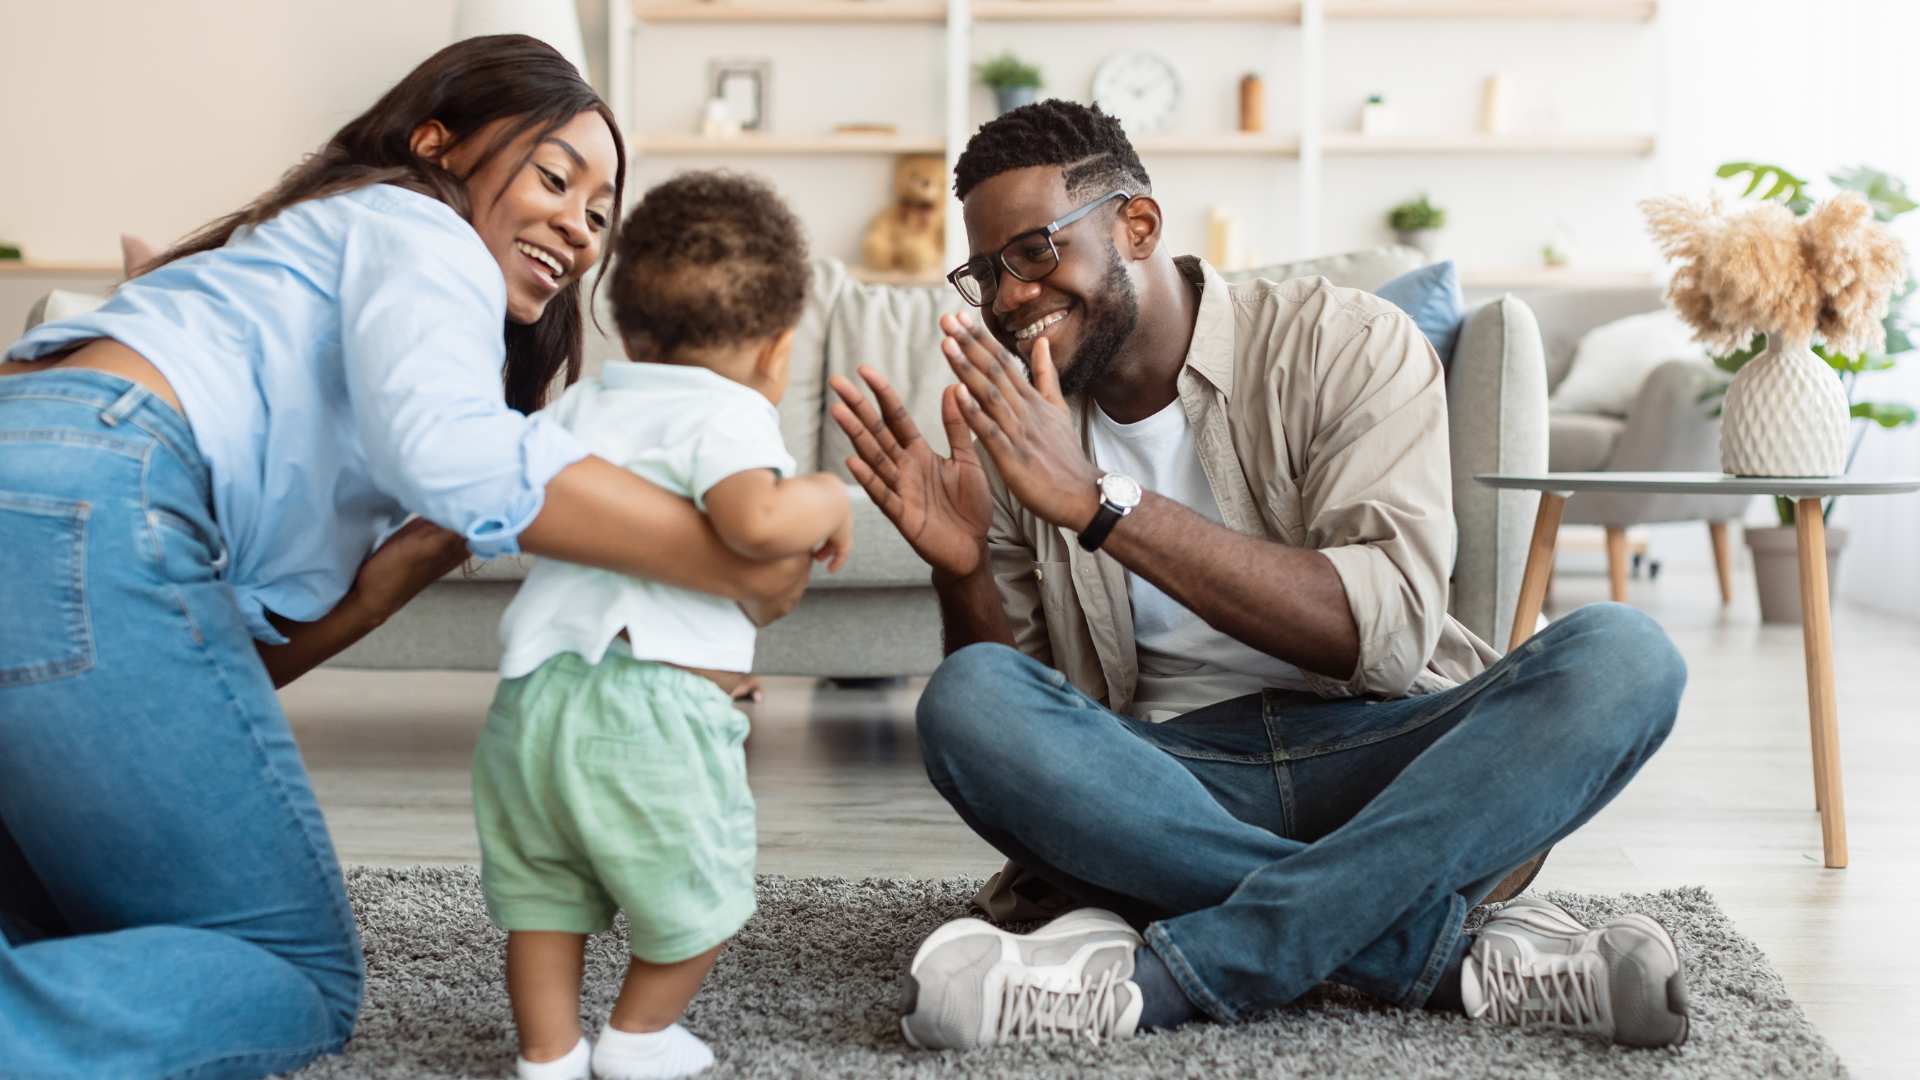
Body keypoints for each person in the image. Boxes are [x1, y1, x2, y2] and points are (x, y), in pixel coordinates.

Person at [0, 37, 809, 1080]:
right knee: (285, 969)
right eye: (556, 177)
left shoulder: (328, 300)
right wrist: (729, 561)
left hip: (61, 492)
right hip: (86, 486)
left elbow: (233, 676)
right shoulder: (417, 225)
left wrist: (403, 568)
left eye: (601, 214)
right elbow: (460, 458)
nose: (580, 223)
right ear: (435, 146)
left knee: (63, 924)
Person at [829, 100, 1691, 1050]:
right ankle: (1443, 959)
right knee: (967, 700)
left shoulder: (1346, 341)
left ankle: (1150, 982)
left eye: (1033, 252)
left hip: (1389, 758)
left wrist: (1102, 503)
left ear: (1138, 225)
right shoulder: (1019, 433)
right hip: (1167, 785)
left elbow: (1389, 634)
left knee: (1626, 656)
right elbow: (1031, 711)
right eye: (985, 274)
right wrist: (959, 571)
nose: (1008, 297)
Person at [475, 172, 850, 1080]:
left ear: (627, 326)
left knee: (543, 898)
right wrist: (832, 494)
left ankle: (549, 1054)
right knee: (705, 885)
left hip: (529, 703)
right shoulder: (730, 413)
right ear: (778, 350)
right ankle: (640, 1035)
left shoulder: (581, 404)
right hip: (651, 713)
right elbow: (753, 525)